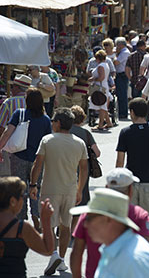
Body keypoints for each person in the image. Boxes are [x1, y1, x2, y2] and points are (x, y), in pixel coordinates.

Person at [29, 107, 88, 275]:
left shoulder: (47, 140)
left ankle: (54, 254)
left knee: (49, 225)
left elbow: (37, 164)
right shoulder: (79, 142)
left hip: (50, 189)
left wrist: (33, 184)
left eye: (53, 121)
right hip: (70, 189)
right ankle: (61, 259)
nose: (52, 123)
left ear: (58, 123)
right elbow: (84, 169)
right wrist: (80, 189)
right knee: (66, 226)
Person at [70, 168, 149, 278]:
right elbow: (146, 251)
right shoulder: (140, 216)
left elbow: (76, 251)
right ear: (130, 190)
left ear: (107, 188)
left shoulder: (89, 215)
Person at [116, 98, 149, 239]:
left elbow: (120, 161)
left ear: (132, 113)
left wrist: (117, 183)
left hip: (130, 183)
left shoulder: (125, 132)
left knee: (129, 220)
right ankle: (148, 251)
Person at [0, 88, 51, 232]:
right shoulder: (46, 120)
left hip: (18, 157)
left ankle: (20, 220)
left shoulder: (19, 114)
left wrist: (0, 148)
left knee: (18, 189)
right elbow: (47, 141)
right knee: (36, 187)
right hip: (37, 160)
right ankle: (36, 216)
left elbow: (7, 132)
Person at [0, 176, 54, 277]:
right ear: (13, 201)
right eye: (22, 196)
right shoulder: (21, 228)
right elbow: (47, 249)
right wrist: (46, 221)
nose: (23, 200)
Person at [69, 105, 101, 229]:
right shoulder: (86, 133)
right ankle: (76, 228)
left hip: (67, 167)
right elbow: (97, 153)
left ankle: (63, 228)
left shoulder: (65, 131)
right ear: (82, 119)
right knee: (82, 196)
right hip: (83, 169)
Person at [0, 74, 30, 176]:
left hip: (11, 146)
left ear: (17, 87)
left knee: (10, 176)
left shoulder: (8, 102)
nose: (11, 89)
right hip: (30, 145)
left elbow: (1, 126)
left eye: (12, 86)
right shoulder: (34, 102)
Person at [88, 50, 113, 131]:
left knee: (102, 106)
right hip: (104, 86)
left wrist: (93, 79)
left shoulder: (100, 66)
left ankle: (100, 125)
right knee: (103, 105)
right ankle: (108, 123)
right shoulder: (106, 64)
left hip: (100, 87)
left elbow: (101, 77)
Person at [113, 37, 131, 119]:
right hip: (120, 74)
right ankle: (121, 111)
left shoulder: (124, 52)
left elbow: (116, 62)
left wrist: (115, 55)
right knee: (120, 94)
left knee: (122, 94)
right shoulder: (122, 52)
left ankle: (123, 113)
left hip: (122, 75)